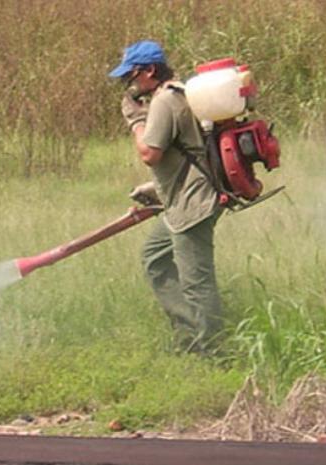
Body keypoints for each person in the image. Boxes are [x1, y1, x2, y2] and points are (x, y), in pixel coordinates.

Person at [109, 40, 223, 353]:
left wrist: (135, 121)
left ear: (149, 71)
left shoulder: (163, 101)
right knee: (155, 258)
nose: (129, 85)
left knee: (197, 282)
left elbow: (150, 153)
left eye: (130, 77)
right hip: (182, 198)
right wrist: (155, 190)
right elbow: (184, 152)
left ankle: (214, 353)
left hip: (192, 203)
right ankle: (189, 336)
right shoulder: (176, 93)